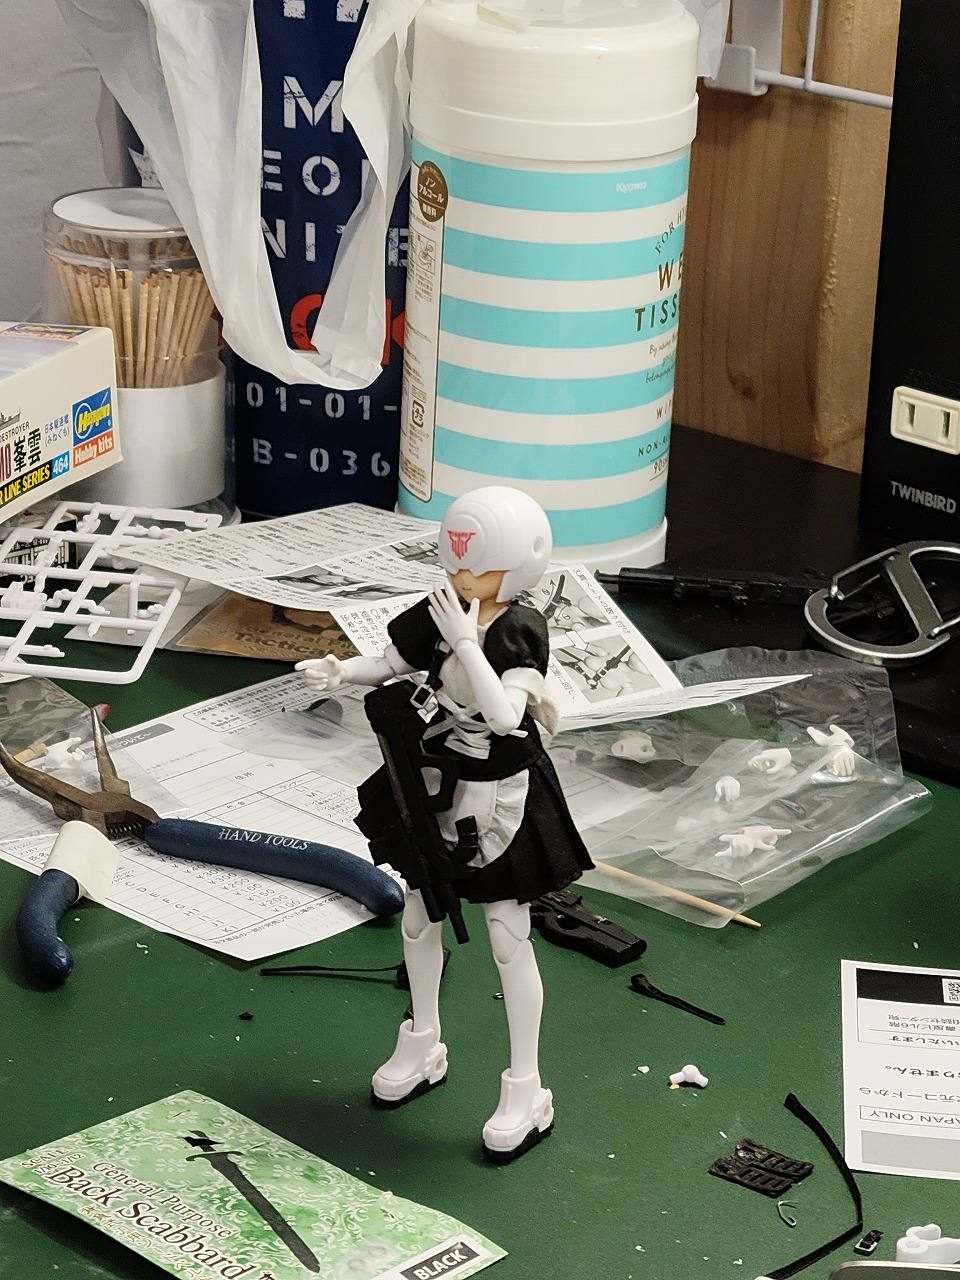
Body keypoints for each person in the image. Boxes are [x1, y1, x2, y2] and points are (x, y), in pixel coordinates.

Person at [296, 486, 593, 1160]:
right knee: (418, 913)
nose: (463, 580)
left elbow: (506, 716)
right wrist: (341, 671)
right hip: (433, 778)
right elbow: (392, 663)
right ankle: (422, 1039)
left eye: (480, 570)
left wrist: (466, 641)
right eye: (456, 565)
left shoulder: (518, 629)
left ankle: (525, 1086)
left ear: (517, 567)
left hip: (503, 788)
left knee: (508, 937)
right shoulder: (443, 607)